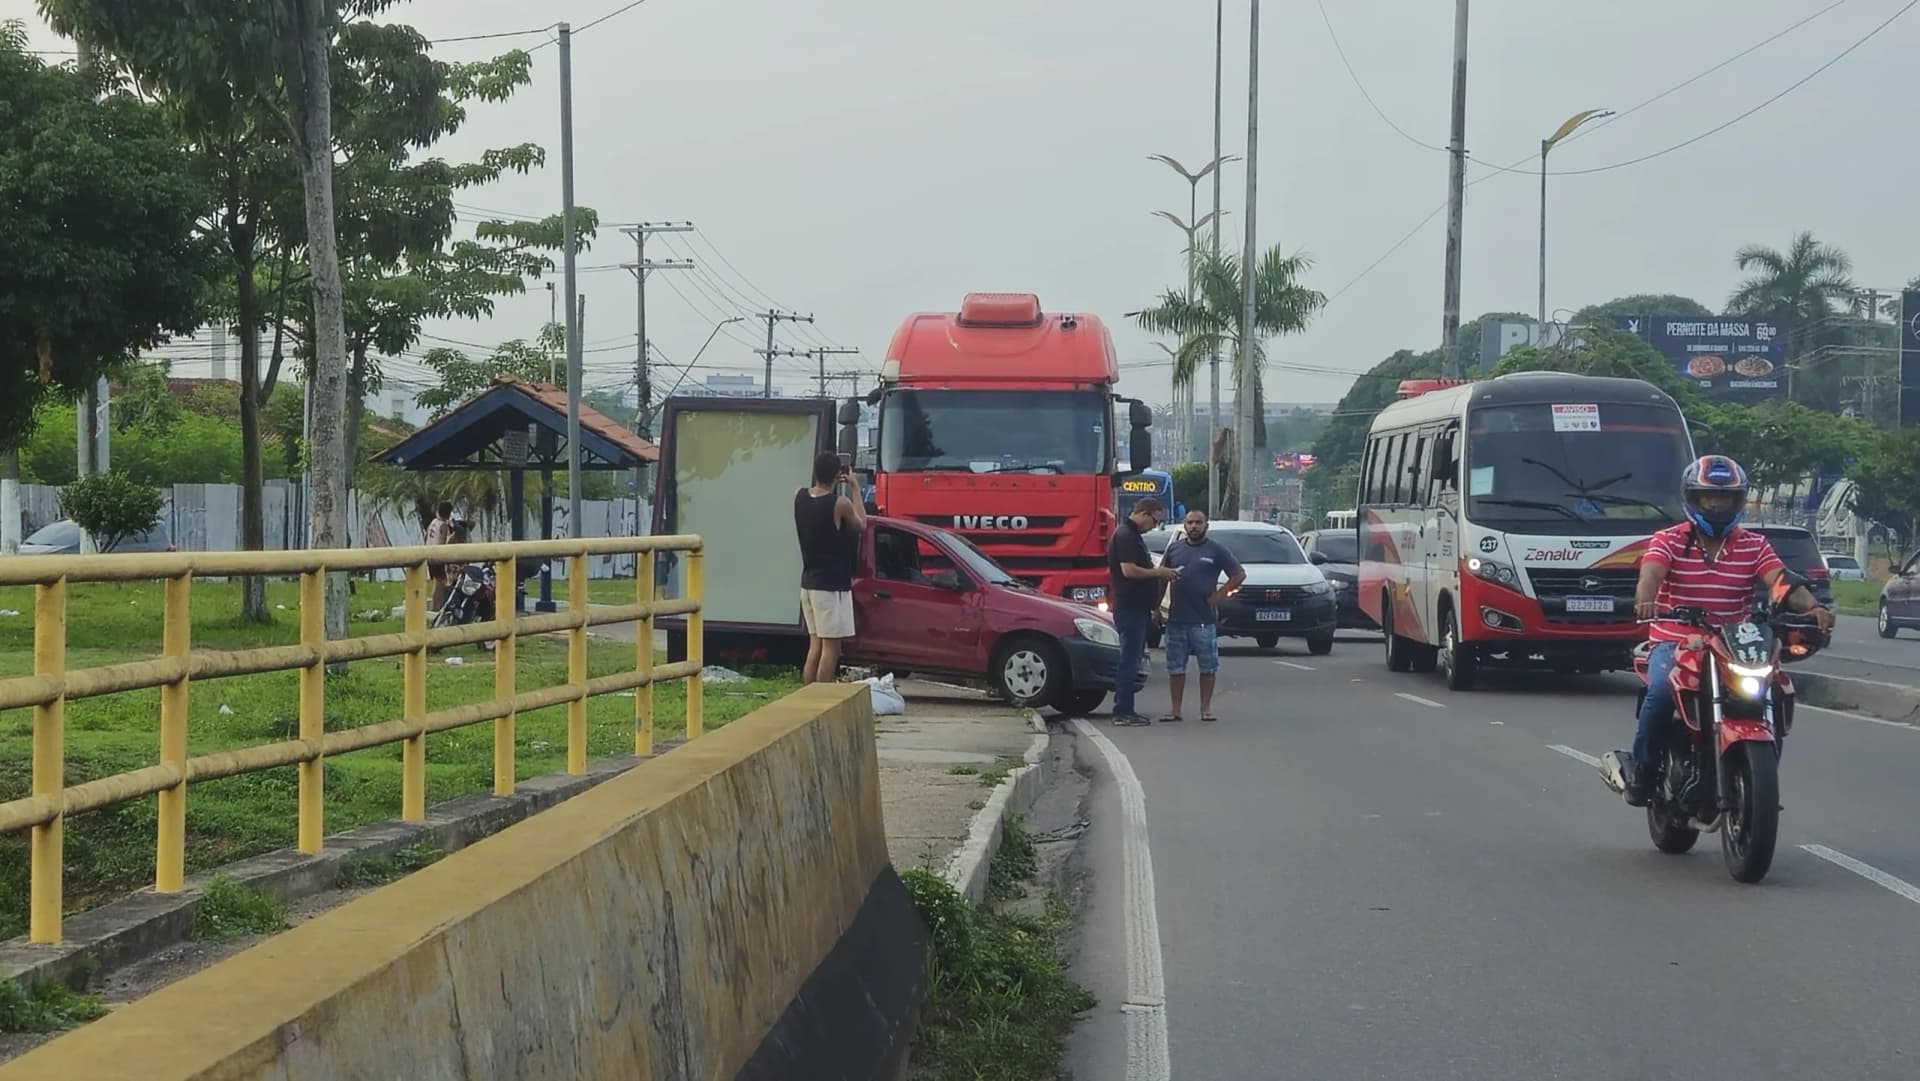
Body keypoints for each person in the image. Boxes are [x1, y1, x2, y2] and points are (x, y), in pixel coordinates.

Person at [1624, 455, 1832, 805]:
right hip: (1676, 638)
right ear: (1693, 499)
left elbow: (1781, 582)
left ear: (1739, 500)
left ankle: (1755, 777)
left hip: (1734, 642)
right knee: (1660, 691)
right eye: (1710, 498)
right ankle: (1643, 770)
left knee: (1774, 689)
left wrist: (1813, 608)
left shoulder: (1754, 545)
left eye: (1727, 498)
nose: (1719, 505)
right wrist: (1646, 601)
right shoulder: (1668, 539)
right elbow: (1651, 575)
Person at [1157, 510, 1245, 723]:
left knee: (1208, 666)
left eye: (1199, 522)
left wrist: (1219, 595)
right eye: (1190, 522)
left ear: (1206, 525)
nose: (1194, 526)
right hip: (1177, 619)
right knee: (1176, 668)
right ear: (1184, 525)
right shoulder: (1174, 549)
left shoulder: (1216, 550)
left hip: (1204, 621)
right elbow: (1161, 577)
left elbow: (1239, 574)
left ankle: (1205, 709)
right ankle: (1175, 710)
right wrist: (1155, 607)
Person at [1106, 496, 1179, 726]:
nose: (1154, 526)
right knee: (1129, 659)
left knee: (1133, 657)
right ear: (1144, 514)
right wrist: (1158, 573)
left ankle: (1126, 709)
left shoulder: (1131, 535)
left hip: (1136, 606)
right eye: (1154, 521)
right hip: (1129, 606)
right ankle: (1123, 710)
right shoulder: (1126, 536)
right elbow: (1128, 570)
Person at [795, 451, 865, 684]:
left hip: (808, 582)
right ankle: (822, 700)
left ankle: (807, 697)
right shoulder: (839, 503)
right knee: (831, 649)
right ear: (838, 474)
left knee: (814, 644)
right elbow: (861, 525)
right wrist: (855, 488)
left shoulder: (799, 496)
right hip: (831, 585)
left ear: (814, 472)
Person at [426, 501, 454, 612]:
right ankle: (436, 606)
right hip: (437, 556)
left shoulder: (433, 522)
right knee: (440, 582)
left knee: (437, 581)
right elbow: (442, 542)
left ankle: (436, 605)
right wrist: (451, 538)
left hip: (429, 552)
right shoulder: (443, 526)